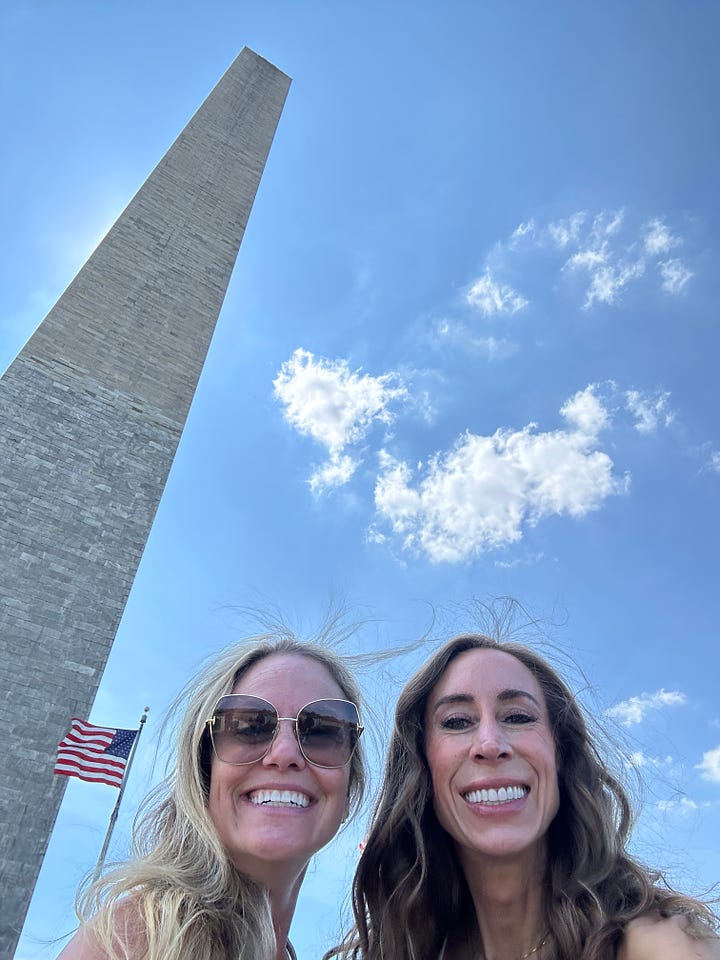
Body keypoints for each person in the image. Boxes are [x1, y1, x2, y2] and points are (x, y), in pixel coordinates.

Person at [331, 632, 719, 960]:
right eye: (457, 722)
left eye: (518, 716)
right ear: (422, 769)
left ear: (560, 754)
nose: (489, 743)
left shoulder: (658, 944)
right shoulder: (408, 947)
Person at [58, 630, 366, 960]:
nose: (285, 752)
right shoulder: (132, 939)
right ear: (205, 769)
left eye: (322, 730)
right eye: (250, 726)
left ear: (348, 785)